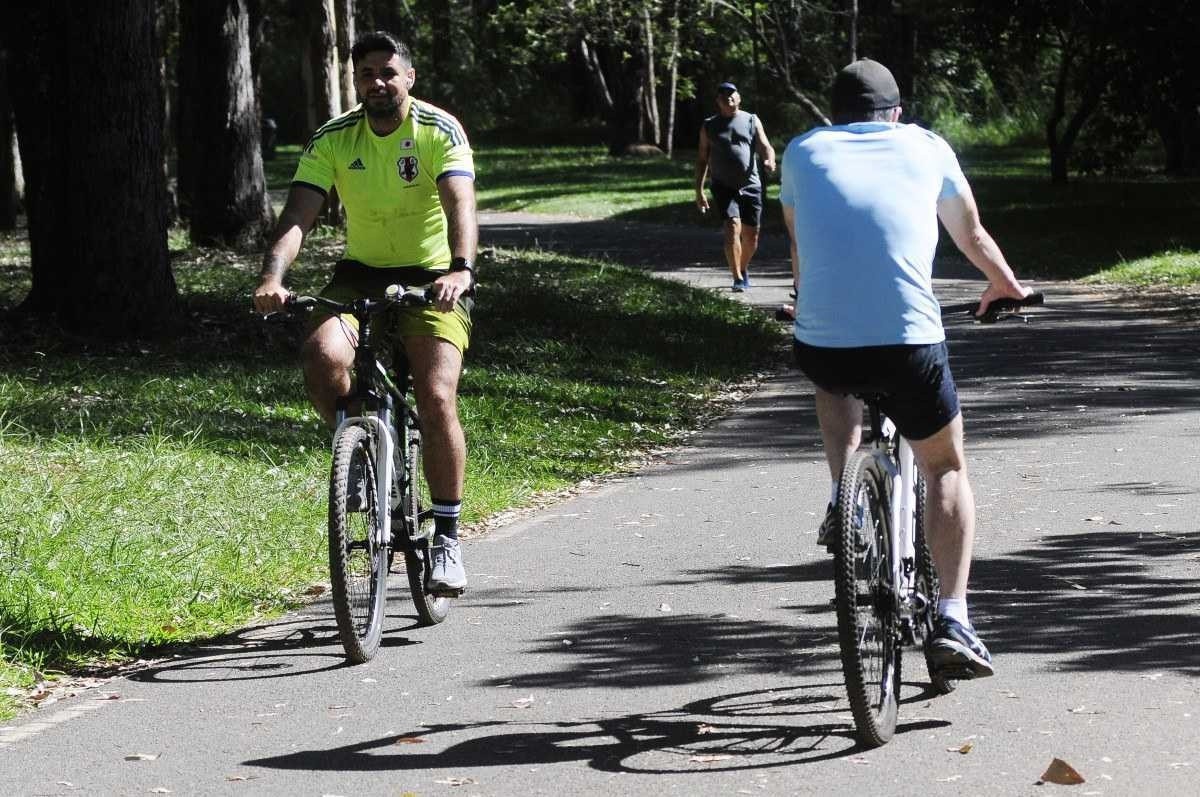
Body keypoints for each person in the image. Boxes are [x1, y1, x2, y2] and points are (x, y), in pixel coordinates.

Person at [779, 59, 1031, 680]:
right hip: (908, 344)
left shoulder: (802, 151)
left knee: (832, 373)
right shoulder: (926, 146)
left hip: (824, 337)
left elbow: (802, 247)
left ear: (834, 113)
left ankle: (844, 493)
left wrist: (813, 301)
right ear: (895, 113)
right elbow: (971, 234)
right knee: (944, 464)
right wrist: (1006, 286)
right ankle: (954, 617)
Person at [252, 31, 477, 593]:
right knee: (321, 353)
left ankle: (446, 535)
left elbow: (460, 203)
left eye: (387, 72)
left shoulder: (437, 130)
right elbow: (298, 217)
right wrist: (273, 277)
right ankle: (357, 455)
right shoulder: (334, 137)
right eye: (366, 74)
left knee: (436, 394)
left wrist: (460, 267)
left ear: (410, 77)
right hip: (362, 271)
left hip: (433, 276)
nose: (377, 83)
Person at [695, 82, 776, 292]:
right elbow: (702, 159)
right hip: (723, 185)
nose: (729, 100)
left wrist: (769, 160)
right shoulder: (709, 126)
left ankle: (742, 266)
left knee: (752, 235)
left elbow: (765, 145)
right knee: (732, 228)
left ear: (739, 98)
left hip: (751, 185)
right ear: (718, 101)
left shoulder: (751, 120)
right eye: (724, 97)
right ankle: (737, 278)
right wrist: (699, 190)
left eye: (732, 96)